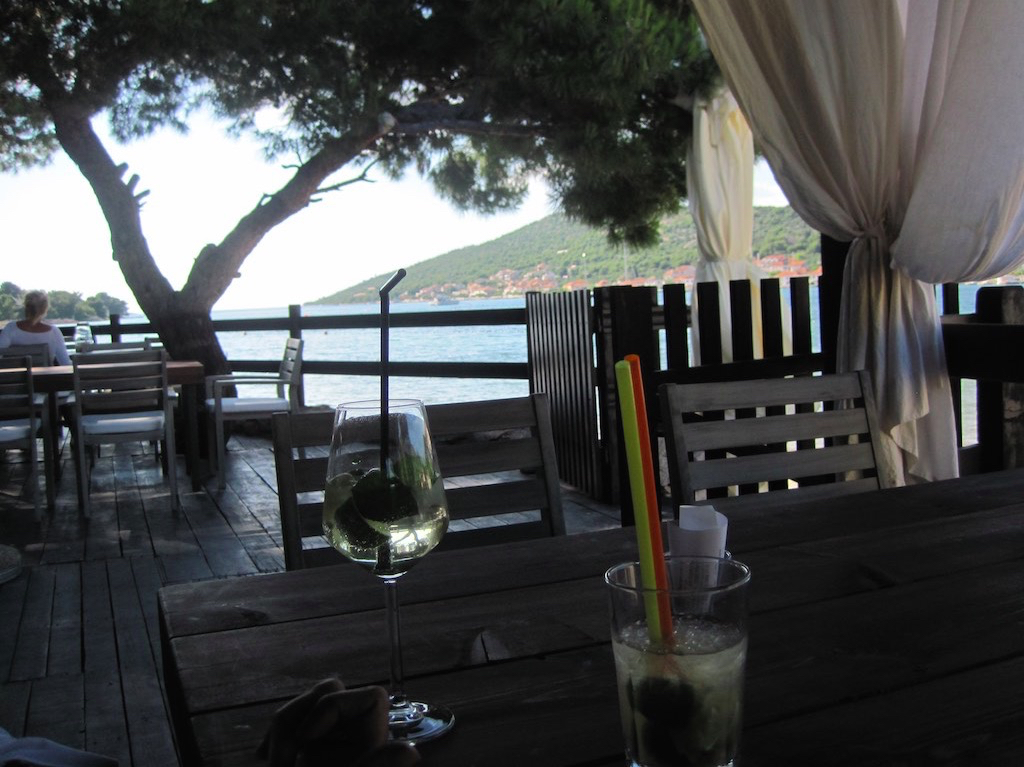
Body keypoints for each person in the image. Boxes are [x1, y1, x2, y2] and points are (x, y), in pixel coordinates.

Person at [0, 290, 73, 366]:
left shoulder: (11, 329)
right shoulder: (54, 332)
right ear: (45, 309)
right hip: (45, 374)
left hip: (15, 374)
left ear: (26, 307)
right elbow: (65, 363)